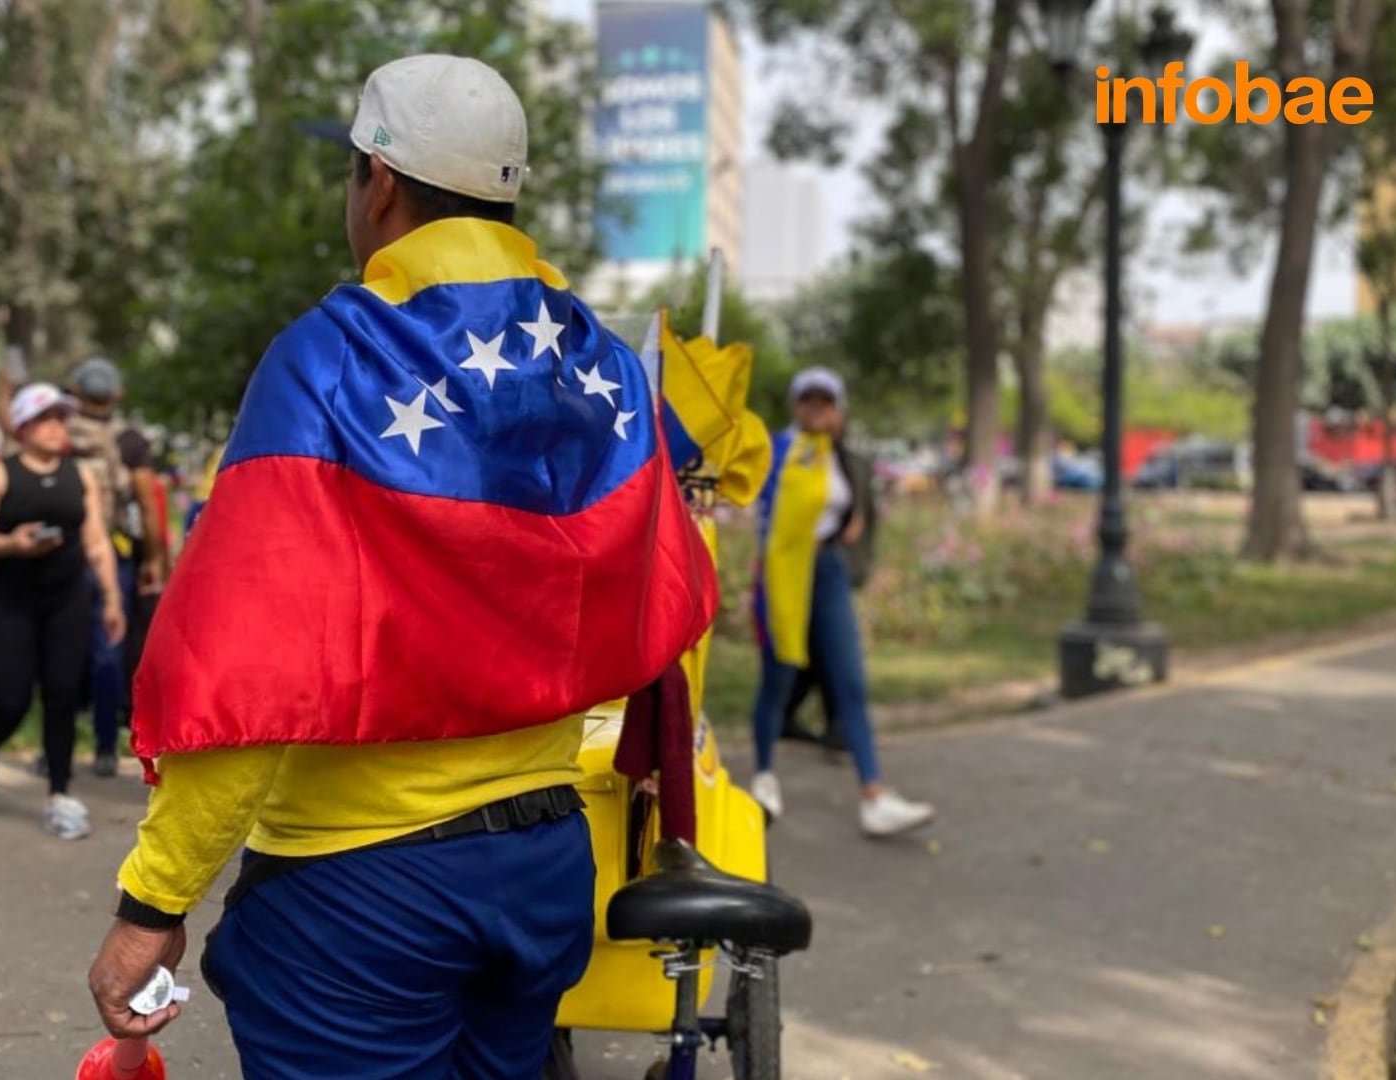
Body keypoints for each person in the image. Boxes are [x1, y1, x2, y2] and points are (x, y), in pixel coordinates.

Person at [85, 55, 716, 1076]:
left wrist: (152, 904)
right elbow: (668, 577)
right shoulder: (602, 366)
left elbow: (253, 669)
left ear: (378, 181)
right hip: (543, 870)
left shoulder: (333, 361)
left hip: (359, 896)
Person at [748, 367, 935, 837]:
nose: (816, 408)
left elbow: (858, 510)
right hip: (783, 574)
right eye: (808, 400)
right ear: (795, 405)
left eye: (825, 401)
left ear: (838, 408)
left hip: (827, 572)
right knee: (778, 676)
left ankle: (874, 794)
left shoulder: (843, 457)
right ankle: (764, 775)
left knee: (850, 681)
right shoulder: (778, 449)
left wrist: (849, 542)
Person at [0, 383, 125, 840]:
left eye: (60, 419)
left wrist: (111, 597)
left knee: (63, 695)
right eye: (47, 419)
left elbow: (94, 541)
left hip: (66, 599)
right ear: (24, 425)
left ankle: (59, 796)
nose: (57, 428)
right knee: (12, 699)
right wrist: (12, 543)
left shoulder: (79, 476)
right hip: (10, 601)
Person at [0, 356, 167, 777]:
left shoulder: (56, 432)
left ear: (75, 392)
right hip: (115, 554)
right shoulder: (130, 441)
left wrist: (4, 389)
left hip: (59, 556)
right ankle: (107, 747)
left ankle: (54, 747)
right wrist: (156, 560)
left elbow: (8, 434)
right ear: (118, 394)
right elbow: (146, 503)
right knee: (109, 653)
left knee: (56, 654)